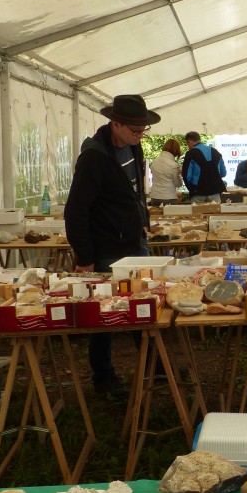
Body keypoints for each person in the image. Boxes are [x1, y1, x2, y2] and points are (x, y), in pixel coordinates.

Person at [65, 94, 159, 400]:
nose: (140, 135)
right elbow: (76, 210)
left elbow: (135, 191)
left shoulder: (133, 145)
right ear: (115, 124)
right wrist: (85, 256)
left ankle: (154, 364)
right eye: (135, 130)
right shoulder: (94, 157)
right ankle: (103, 375)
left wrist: (142, 220)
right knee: (104, 310)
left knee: (143, 301)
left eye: (143, 129)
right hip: (106, 245)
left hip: (134, 240)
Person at [181, 131, 227, 203]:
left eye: (187, 144)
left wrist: (192, 188)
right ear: (199, 139)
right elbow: (223, 173)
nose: (188, 146)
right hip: (215, 191)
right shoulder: (215, 152)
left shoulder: (191, 154)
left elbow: (187, 176)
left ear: (189, 141)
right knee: (215, 210)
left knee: (197, 210)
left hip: (198, 192)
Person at [148, 138, 183, 206]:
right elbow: (178, 184)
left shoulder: (155, 161)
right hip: (169, 197)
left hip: (155, 196)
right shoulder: (174, 165)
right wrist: (181, 175)